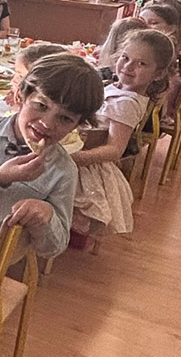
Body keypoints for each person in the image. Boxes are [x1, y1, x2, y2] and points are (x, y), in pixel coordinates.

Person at [0, 53, 105, 267]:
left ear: (76, 126)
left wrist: (46, 218)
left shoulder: (63, 171)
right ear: (20, 96)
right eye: (41, 106)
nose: (47, 123)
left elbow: (54, 248)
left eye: (64, 118)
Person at [71, 30, 173, 239]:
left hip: (86, 163)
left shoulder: (126, 103)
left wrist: (76, 159)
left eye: (141, 63)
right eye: (125, 58)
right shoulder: (118, 89)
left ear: (158, 74)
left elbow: (115, 149)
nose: (128, 66)